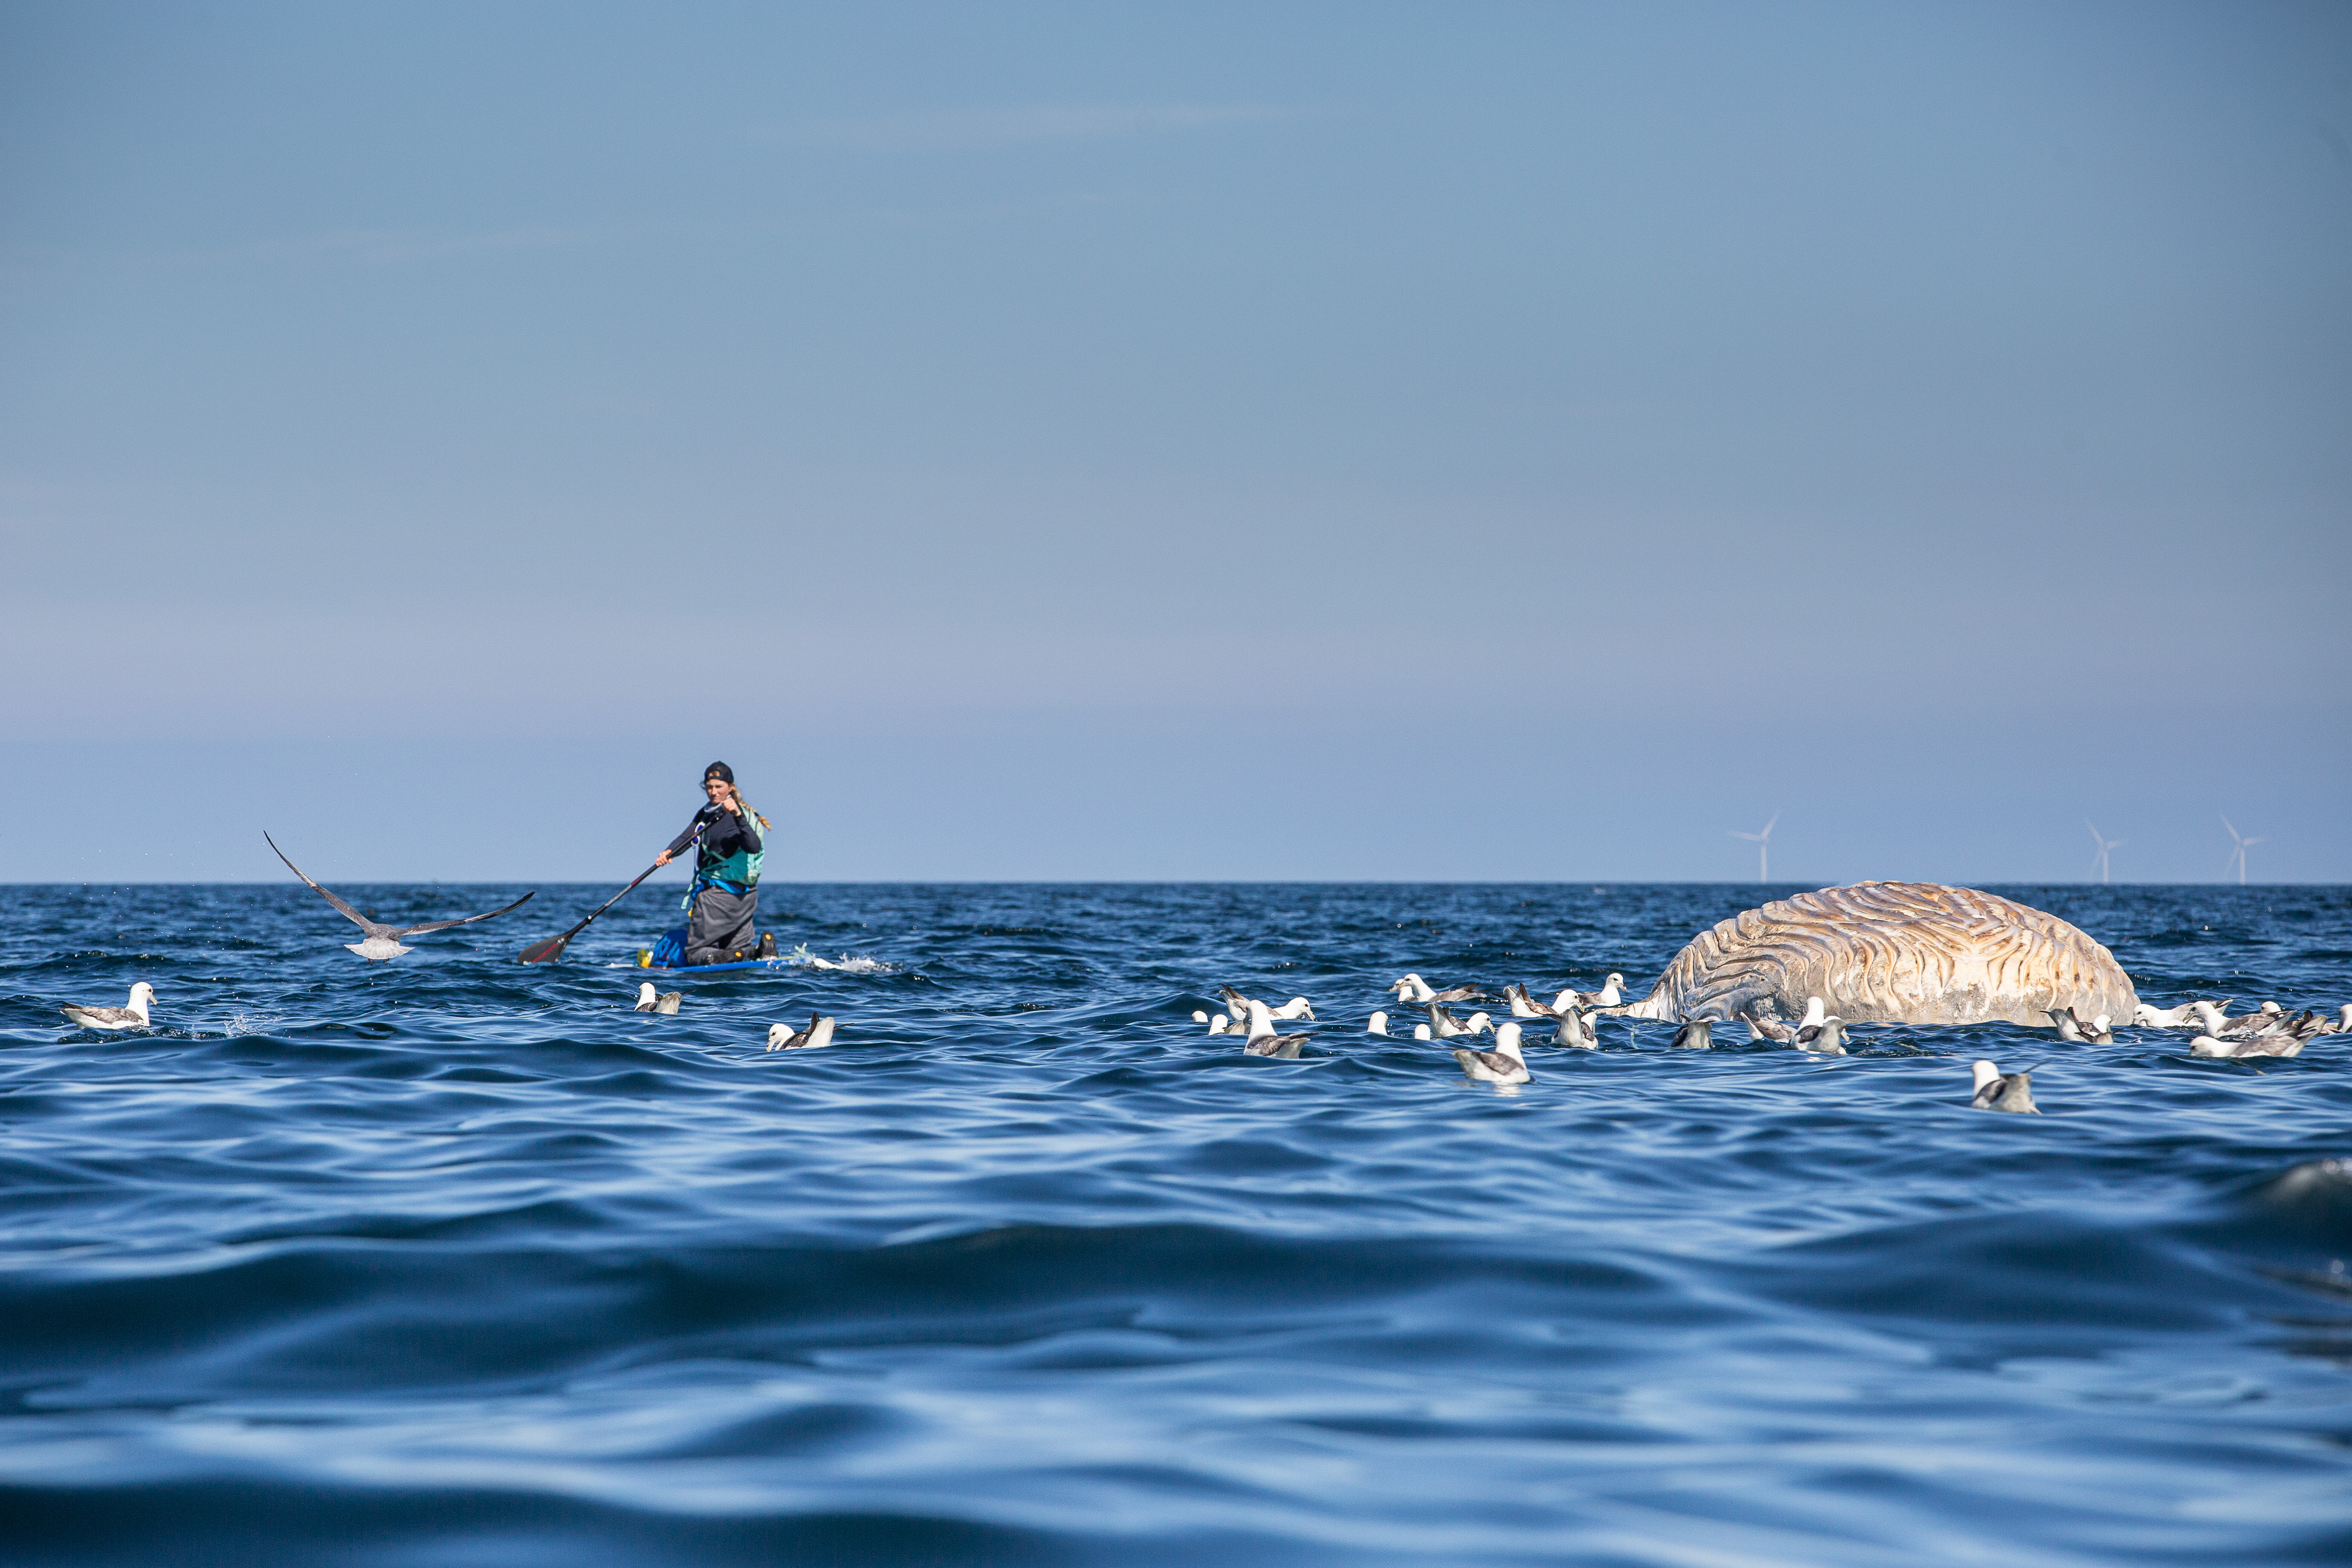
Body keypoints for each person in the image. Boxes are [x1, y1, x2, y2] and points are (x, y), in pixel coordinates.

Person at [656, 762, 773, 965]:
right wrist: (670, 851)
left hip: (717, 897)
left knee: (694, 954)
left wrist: (737, 815)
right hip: (746, 896)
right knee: (736, 950)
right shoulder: (708, 812)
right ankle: (759, 951)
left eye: (719, 787)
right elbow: (690, 835)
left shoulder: (735, 815)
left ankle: (718, 956)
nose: (713, 792)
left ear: (731, 787)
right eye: (710, 787)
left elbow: (753, 846)